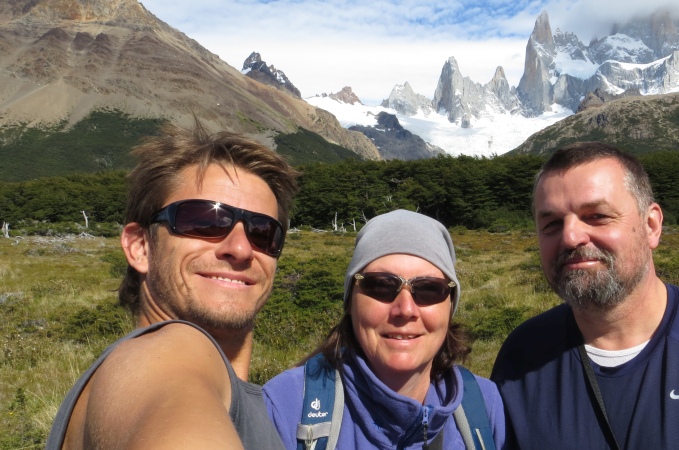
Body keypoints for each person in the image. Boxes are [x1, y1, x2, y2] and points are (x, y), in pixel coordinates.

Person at [491, 142, 679, 450]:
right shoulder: (521, 356)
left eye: (597, 215)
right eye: (551, 224)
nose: (570, 236)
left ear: (651, 225)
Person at [46, 123, 299, 449]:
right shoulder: (168, 352)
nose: (240, 248)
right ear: (141, 247)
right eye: (205, 220)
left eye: (263, 231)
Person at [263, 209, 506, 450]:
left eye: (429, 289)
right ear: (350, 302)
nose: (405, 309)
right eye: (381, 286)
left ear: (450, 305)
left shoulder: (484, 405)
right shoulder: (285, 407)